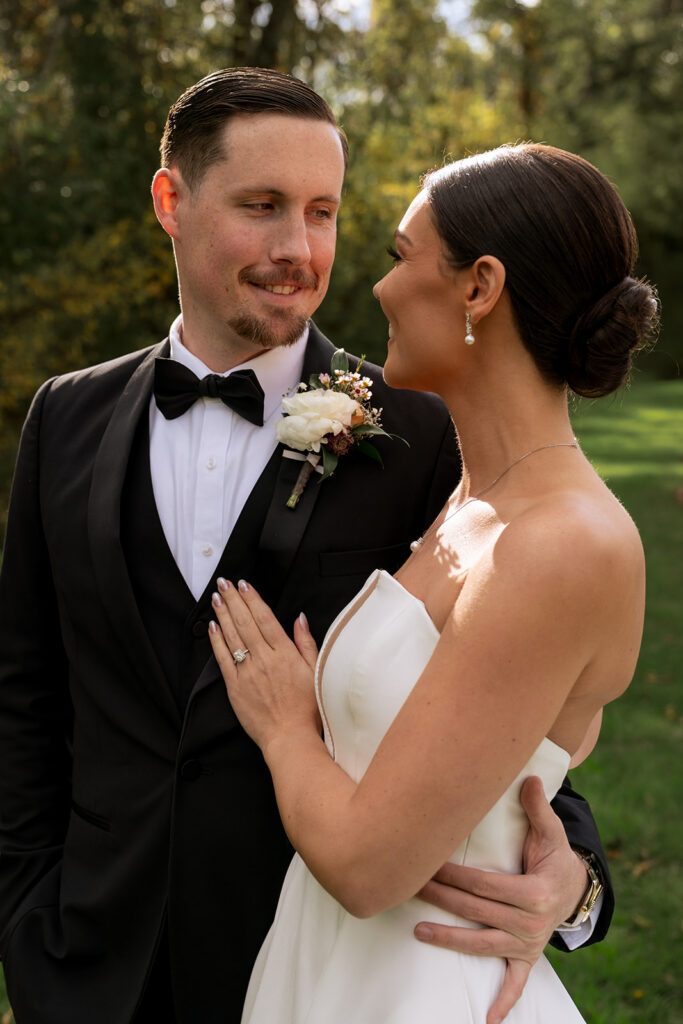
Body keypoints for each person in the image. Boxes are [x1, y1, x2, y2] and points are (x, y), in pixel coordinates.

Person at [0, 67, 610, 1024]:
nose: (299, 249)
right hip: (89, 964)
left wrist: (569, 875)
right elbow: (25, 697)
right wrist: (27, 921)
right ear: (172, 200)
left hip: (318, 960)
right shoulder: (65, 418)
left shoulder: (421, 427)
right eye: (262, 206)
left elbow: (510, 689)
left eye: (322, 213)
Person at [207, 142, 658, 1023]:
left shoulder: (564, 544)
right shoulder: (470, 497)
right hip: (326, 969)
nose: (375, 287)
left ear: (477, 288)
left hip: (421, 989)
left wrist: (285, 724)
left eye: (400, 256)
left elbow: (373, 868)